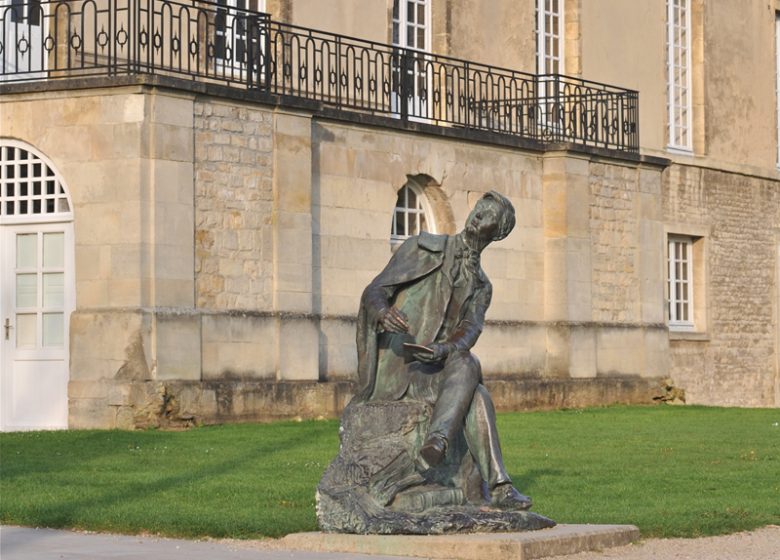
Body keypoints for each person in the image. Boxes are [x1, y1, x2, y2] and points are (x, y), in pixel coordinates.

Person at [354, 190, 532, 510]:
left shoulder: (481, 286)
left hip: (437, 375)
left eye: (488, 215)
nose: (478, 216)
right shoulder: (421, 248)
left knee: (467, 365)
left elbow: (470, 330)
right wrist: (382, 312)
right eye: (478, 209)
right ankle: (497, 484)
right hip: (400, 370)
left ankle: (444, 446)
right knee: (476, 388)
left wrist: (443, 350)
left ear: (499, 232)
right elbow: (375, 291)